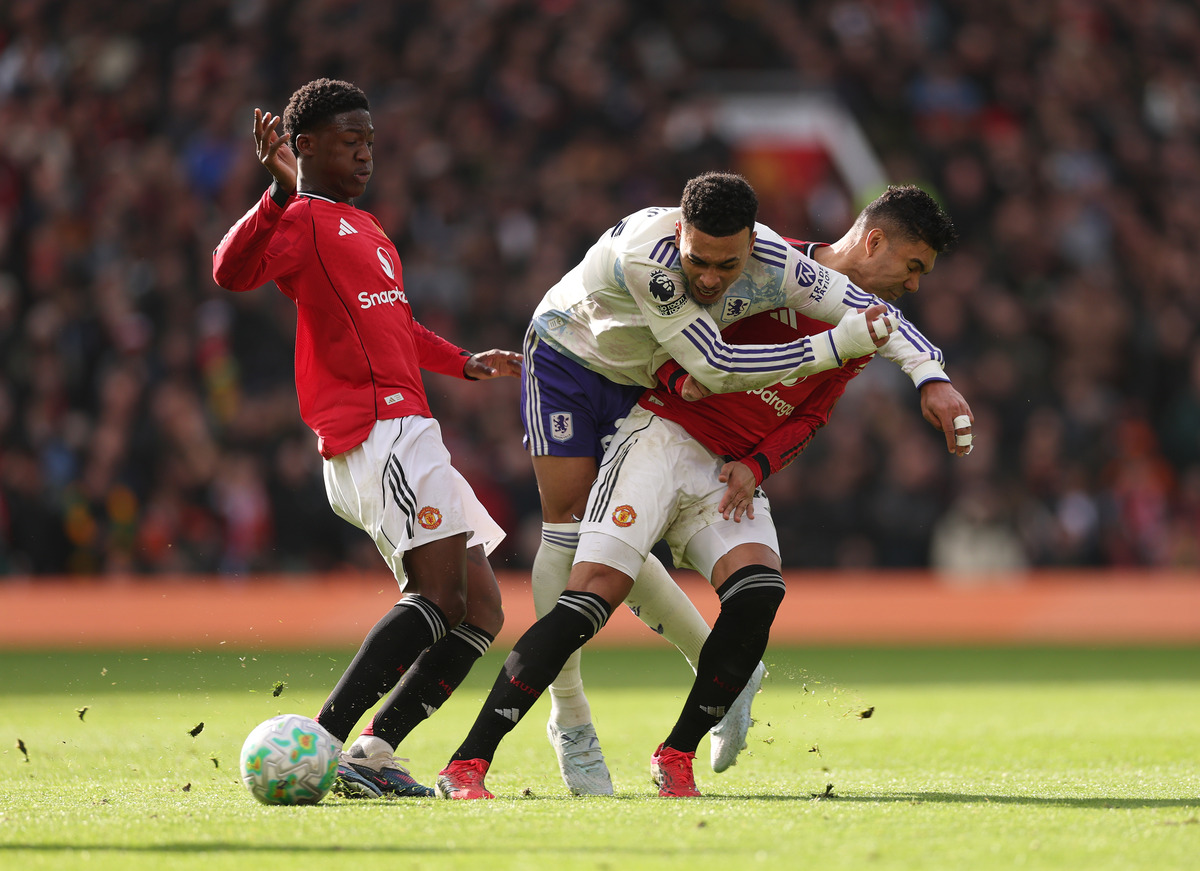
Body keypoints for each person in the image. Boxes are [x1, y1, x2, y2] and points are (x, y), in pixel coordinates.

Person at [517, 172, 961, 795]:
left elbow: (838, 373)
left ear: (752, 244)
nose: (712, 278)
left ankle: (723, 675)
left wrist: (929, 374)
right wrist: (832, 347)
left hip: (648, 380)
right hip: (572, 352)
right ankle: (572, 718)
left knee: (607, 546)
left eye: (727, 263)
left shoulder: (776, 263)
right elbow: (717, 366)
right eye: (702, 260)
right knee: (568, 533)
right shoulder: (660, 256)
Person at [435, 289, 967, 798]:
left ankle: (675, 754)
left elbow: (812, 413)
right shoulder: (770, 267)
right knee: (583, 571)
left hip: (727, 466)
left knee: (758, 592)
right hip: (652, 427)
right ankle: (487, 752)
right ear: (875, 243)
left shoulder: (862, 324)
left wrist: (759, 464)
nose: (912, 283)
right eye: (910, 265)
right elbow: (678, 328)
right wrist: (675, 375)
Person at [212, 78, 523, 798]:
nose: (364, 153)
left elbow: (398, 326)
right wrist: (276, 195)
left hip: (413, 428)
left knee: (481, 610)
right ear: (305, 146)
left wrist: (464, 363)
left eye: (370, 140)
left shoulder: (370, 229)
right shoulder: (298, 220)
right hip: (376, 435)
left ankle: (374, 749)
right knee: (438, 597)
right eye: (349, 140)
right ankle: (320, 740)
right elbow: (229, 272)